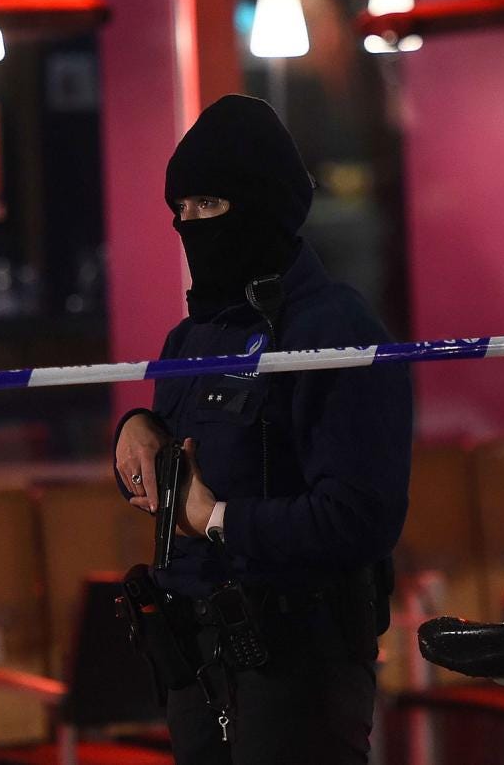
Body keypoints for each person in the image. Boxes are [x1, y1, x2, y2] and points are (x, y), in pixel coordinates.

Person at [112, 94, 412, 764]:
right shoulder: (190, 338)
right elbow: (183, 456)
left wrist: (217, 519)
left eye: (210, 205)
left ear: (265, 206)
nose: (192, 225)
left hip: (299, 668)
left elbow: (361, 518)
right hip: (194, 665)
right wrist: (135, 429)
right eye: (181, 210)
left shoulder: (336, 330)